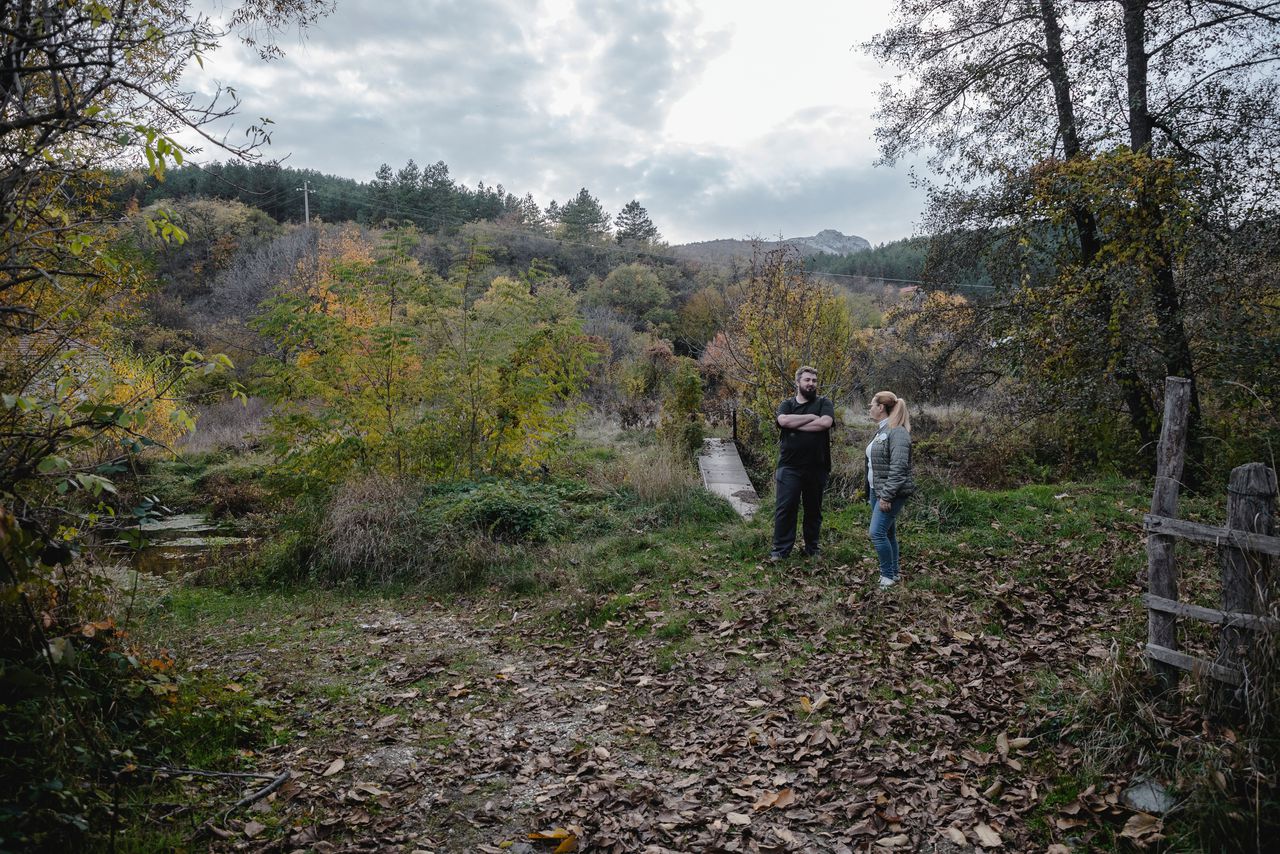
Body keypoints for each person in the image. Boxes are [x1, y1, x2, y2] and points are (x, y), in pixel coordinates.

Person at [770, 366, 834, 560]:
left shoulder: (824, 402)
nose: (811, 384)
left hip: (817, 466)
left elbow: (825, 423)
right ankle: (780, 551)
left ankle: (812, 549)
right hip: (789, 466)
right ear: (797, 382)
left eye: (814, 380)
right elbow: (784, 421)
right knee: (785, 508)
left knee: (813, 510)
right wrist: (810, 418)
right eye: (807, 380)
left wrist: (796, 424)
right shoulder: (786, 404)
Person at [866, 390, 915, 587]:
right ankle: (893, 573)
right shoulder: (883, 430)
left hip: (889, 493)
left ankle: (886, 577)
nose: (869, 408)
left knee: (876, 533)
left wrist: (886, 496)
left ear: (880, 407)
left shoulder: (898, 433)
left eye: (871, 405)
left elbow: (899, 467)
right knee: (887, 533)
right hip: (876, 491)